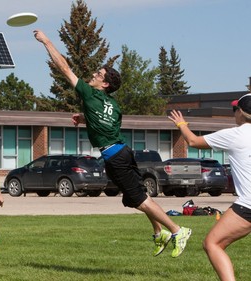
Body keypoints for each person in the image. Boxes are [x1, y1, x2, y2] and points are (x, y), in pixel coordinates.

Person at [34, 29, 191, 258]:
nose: (94, 74)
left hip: (115, 156)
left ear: (105, 84)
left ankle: (177, 230)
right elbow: (107, 125)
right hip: (123, 152)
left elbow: (64, 68)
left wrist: (46, 42)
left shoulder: (89, 94)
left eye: (99, 74)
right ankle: (159, 234)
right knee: (136, 198)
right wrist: (85, 118)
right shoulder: (113, 105)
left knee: (140, 199)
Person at [169, 94, 251, 280]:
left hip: (248, 205)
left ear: (241, 113)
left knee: (212, 243)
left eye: (234, 110)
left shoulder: (235, 134)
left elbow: (193, 142)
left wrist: (181, 124)